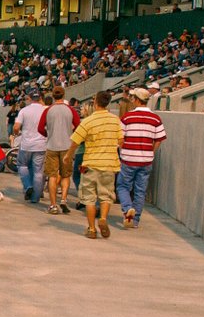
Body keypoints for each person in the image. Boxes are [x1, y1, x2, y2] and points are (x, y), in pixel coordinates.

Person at [68, 91, 124, 239]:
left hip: (90, 164)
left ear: (95, 102)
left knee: (89, 198)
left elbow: (75, 141)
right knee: (106, 196)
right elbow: (121, 141)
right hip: (109, 164)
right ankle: (103, 218)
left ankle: (92, 229)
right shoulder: (115, 120)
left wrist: (68, 156)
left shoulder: (88, 121)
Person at [117, 87, 167, 229]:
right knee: (140, 190)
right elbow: (159, 139)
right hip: (146, 160)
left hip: (128, 158)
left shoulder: (127, 117)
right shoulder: (155, 118)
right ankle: (136, 220)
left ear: (137, 100)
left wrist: (123, 149)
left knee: (122, 186)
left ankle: (127, 209)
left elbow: (120, 138)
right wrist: (151, 152)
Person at [38, 85, 81, 214]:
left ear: (52, 96)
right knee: (65, 175)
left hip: (52, 145)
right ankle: (63, 199)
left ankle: (53, 205)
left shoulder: (48, 110)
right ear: (63, 95)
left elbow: (40, 128)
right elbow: (79, 125)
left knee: (52, 175)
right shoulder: (70, 110)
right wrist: (70, 133)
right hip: (66, 146)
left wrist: (48, 135)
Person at [11, 91, 47, 204]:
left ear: (29, 98)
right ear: (40, 98)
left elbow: (16, 127)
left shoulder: (24, 111)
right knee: (38, 171)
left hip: (26, 144)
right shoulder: (45, 111)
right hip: (41, 144)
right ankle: (35, 197)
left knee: (22, 165)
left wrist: (17, 133)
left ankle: (28, 186)